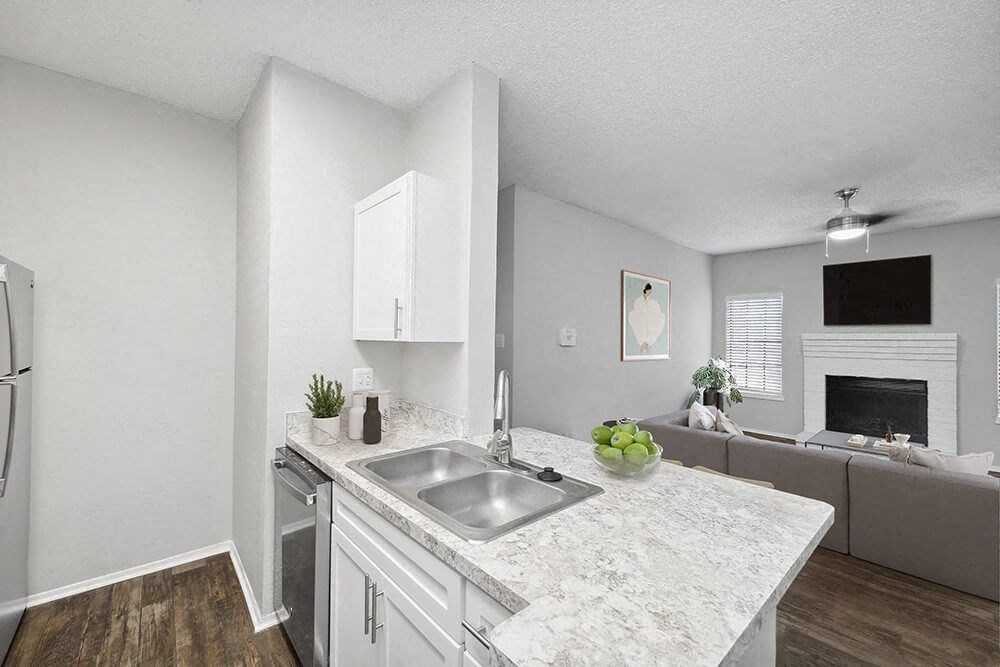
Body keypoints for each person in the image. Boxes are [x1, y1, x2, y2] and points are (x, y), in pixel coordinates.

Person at [628, 282, 665, 353]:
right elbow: (637, 315)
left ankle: (647, 342)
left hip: (651, 325)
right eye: (649, 291)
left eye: (650, 291)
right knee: (632, 316)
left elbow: (656, 317)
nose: (650, 293)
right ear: (645, 290)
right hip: (641, 324)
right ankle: (643, 343)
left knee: (661, 318)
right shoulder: (638, 301)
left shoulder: (654, 303)